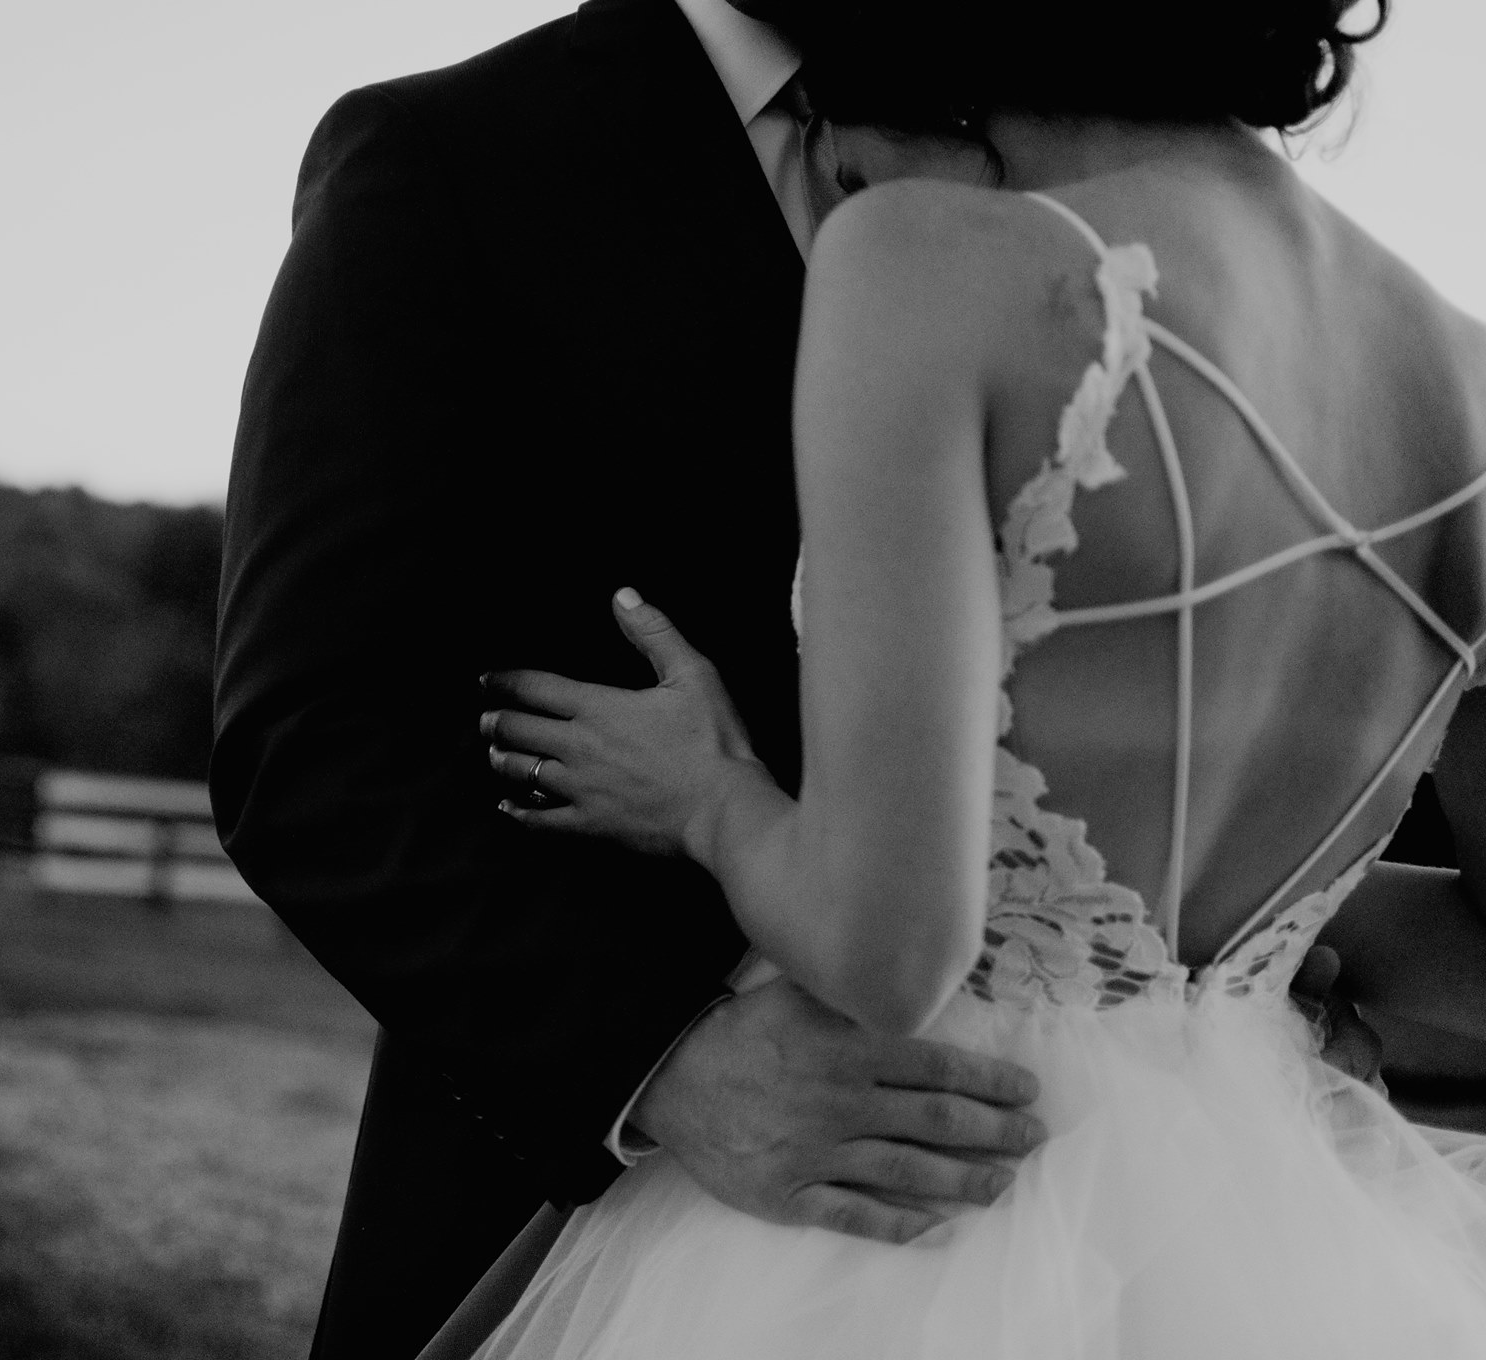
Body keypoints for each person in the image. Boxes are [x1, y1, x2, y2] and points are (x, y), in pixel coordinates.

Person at [463, 0, 1486, 1353]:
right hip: (1264, 1235)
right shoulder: (1469, 377)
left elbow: (889, 948)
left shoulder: (933, 260)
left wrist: (707, 796)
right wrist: (1243, 960)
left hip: (918, 1210)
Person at [213, 2, 1068, 1355]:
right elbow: (310, 745)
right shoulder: (446, 156)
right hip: (575, 1222)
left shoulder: (1069, 144)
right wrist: (663, 1063)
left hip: (1050, 1205)